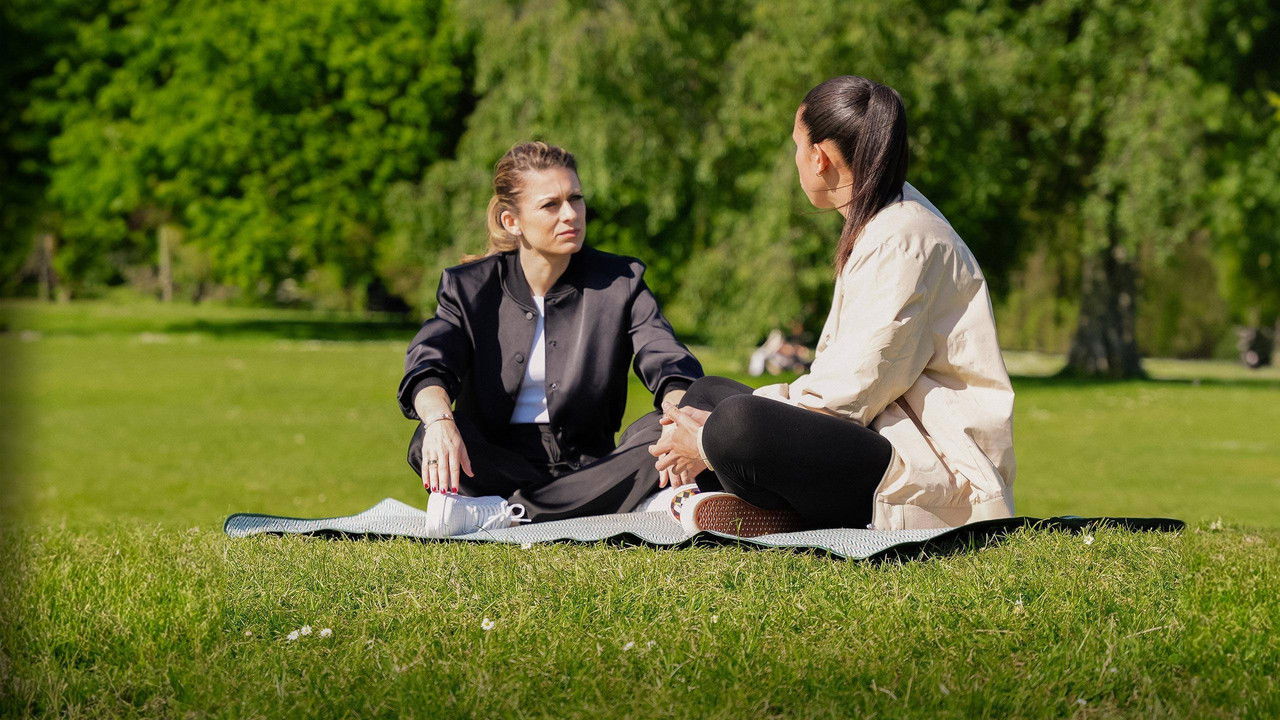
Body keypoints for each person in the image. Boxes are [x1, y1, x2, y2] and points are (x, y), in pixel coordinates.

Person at [649, 75, 1016, 534]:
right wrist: (703, 423)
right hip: (873, 438)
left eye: (797, 148)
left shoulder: (903, 239)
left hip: (929, 471)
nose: (797, 160)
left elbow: (844, 397)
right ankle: (773, 512)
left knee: (734, 424)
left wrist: (705, 439)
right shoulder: (884, 220)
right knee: (706, 396)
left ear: (819, 157)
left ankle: (759, 505)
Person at [398, 141, 703, 536]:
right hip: (494, 462)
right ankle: (624, 504)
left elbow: (666, 359)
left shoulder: (622, 281)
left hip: (592, 465)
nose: (571, 215)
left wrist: (678, 418)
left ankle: (507, 512)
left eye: (576, 199)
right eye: (551, 205)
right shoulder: (469, 287)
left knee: (654, 434)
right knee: (428, 434)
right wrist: (440, 420)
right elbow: (430, 363)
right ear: (512, 221)